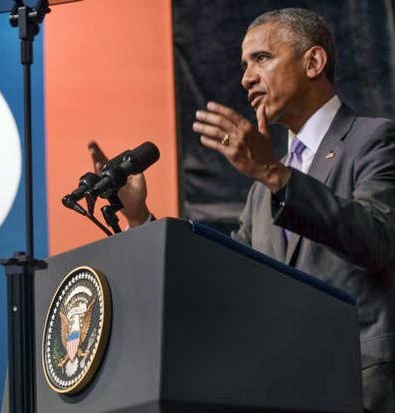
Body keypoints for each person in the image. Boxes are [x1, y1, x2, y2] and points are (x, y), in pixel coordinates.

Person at [89, 8, 395, 412]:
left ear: (314, 62)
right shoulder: (263, 189)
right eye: (244, 64)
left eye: (262, 58)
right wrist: (140, 217)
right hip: (282, 390)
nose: (246, 78)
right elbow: (227, 272)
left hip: (363, 386)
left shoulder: (375, 140)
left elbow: (377, 238)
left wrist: (272, 172)